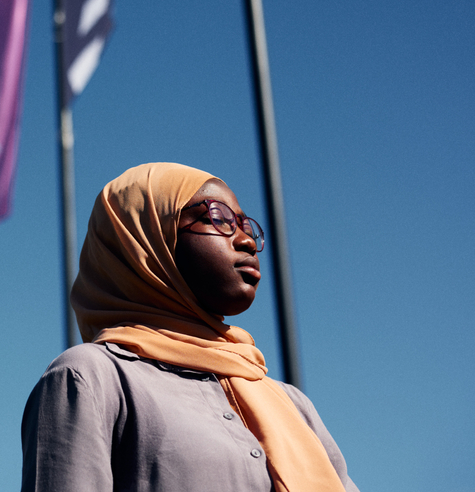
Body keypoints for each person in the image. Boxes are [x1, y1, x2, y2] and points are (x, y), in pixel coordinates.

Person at [21, 162, 358, 492]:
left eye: (245, 225)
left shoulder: (291, 404)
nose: (246, 241)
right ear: (146, 240)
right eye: (217, 218)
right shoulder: (92, 377)